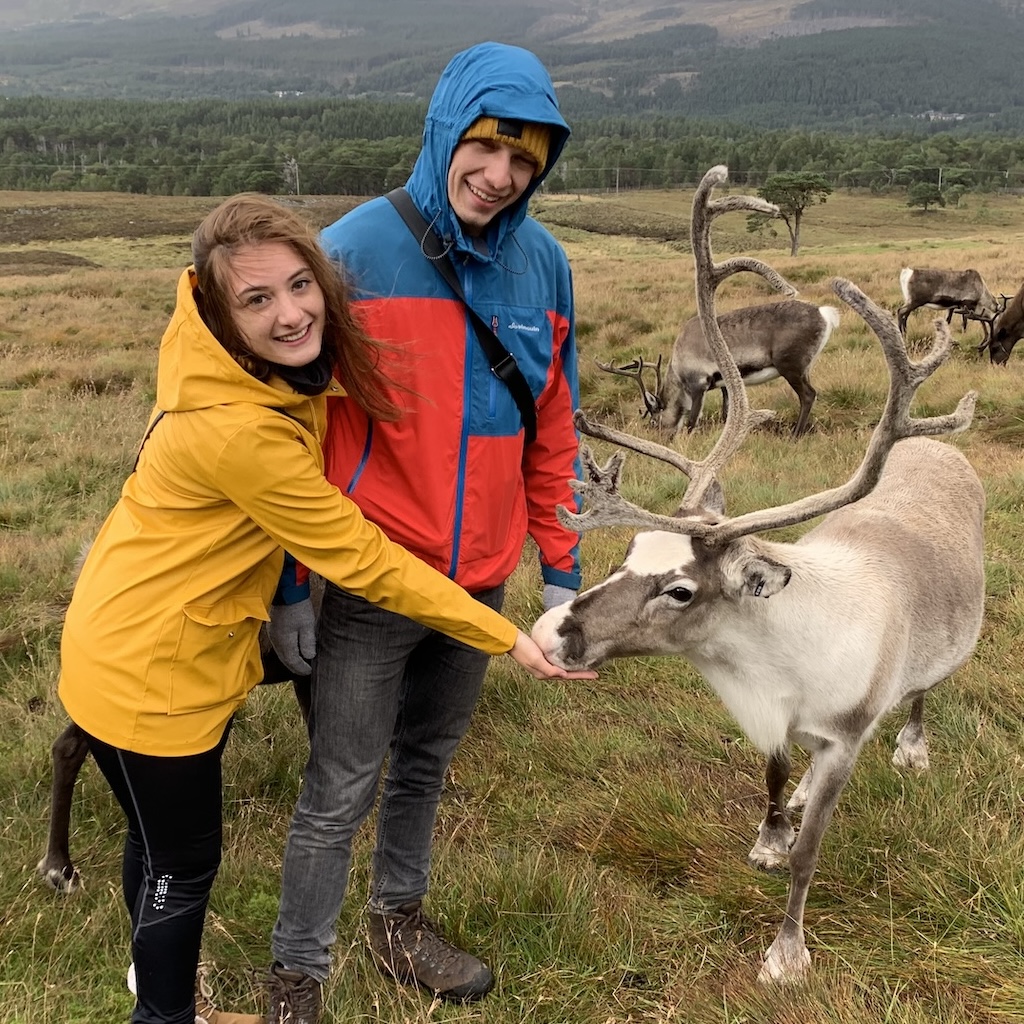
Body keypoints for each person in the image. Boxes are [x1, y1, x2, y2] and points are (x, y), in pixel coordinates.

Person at [57, 192, 589, 1024]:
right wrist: (504, 634)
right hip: (154, 676)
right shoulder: (243, 432)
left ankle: (158, 991)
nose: (292, 312)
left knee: (152, 846)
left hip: (116, 639)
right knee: (183, 870)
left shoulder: (225, 367)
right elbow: (365, 558)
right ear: (215, 311)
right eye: (257, 299)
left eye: (301, 285)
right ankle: (163, 1016)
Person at [265, 41, 582, 1022]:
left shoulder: (545, 267)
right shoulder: (351, 253)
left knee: (425, 763)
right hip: (368, 579)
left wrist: (562, 574)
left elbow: (553, 427)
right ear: (448, 133)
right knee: (338, 782)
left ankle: (397, 922)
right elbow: (292, 439)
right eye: (486, 148)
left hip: (480, 581)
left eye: (524, 161)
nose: (500, 176)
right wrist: (288, 589)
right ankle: (297, 973)